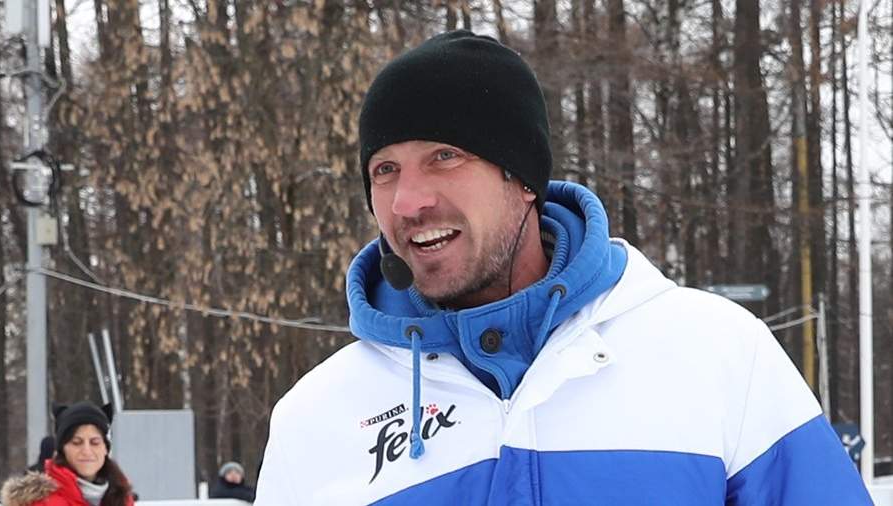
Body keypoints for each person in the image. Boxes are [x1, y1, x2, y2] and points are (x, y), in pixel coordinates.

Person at [256, 30, 872, 505]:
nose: (407, 202)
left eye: (445, 156)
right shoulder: (317, 418)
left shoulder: (718, 354)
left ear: (523, 178)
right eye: (384, 170)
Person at [0, 402, 135, 506]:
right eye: (76, 443)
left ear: (106, 448)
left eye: (95, 442)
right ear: (62, 449)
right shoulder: (42, 502)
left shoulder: (122, 497)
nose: (87, 451)